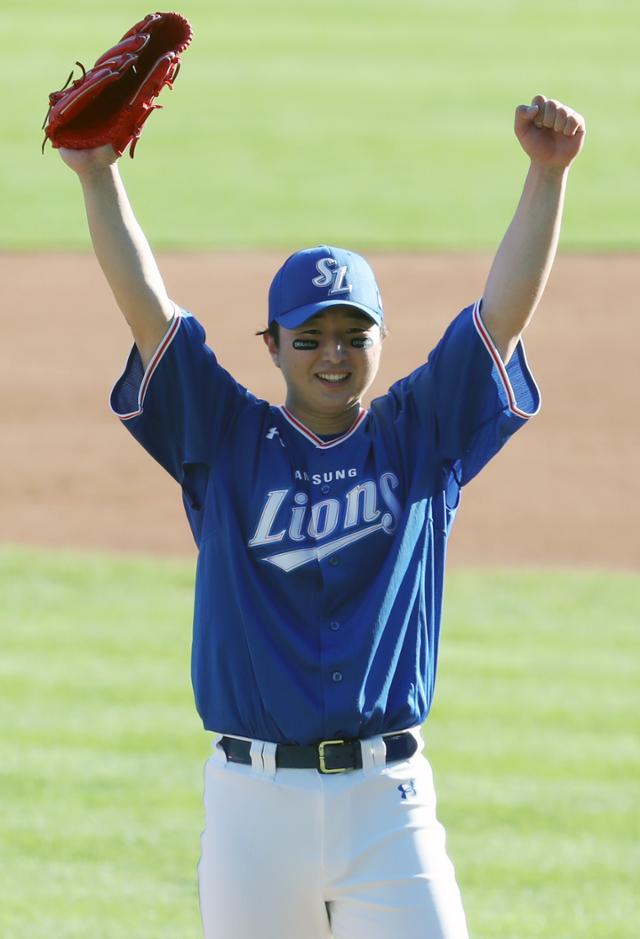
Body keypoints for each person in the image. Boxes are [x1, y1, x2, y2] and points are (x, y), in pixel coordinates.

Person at [58, 92, 585, 939]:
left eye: (353, 335)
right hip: (252, 804)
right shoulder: (225, 435)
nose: (333, 355)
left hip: (390, 804)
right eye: (309, 337)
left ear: (381, 339)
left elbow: (502, 315)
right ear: (270, 344)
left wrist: (546, 175)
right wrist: (97, 177)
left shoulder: (421, 432)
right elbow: (151, 313)